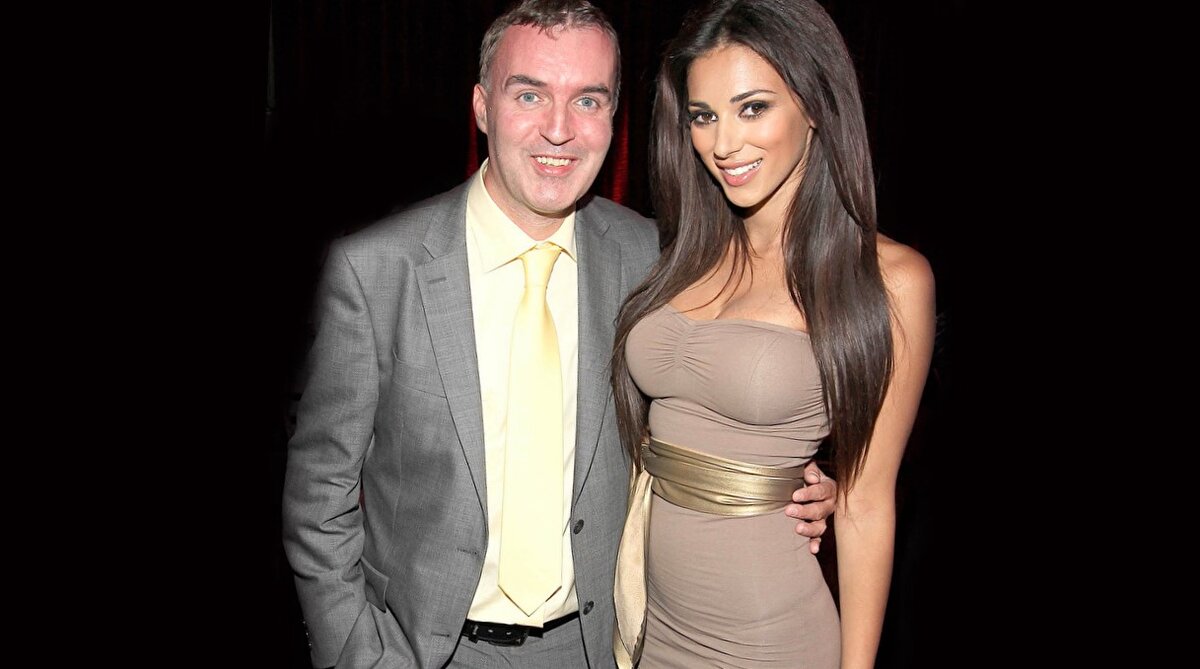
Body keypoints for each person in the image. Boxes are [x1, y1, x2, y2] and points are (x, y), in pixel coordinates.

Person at [282, 1, 839, 668]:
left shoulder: (654, 261)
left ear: (613, 117)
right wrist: (357, 653)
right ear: (482, 107)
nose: (558, 129)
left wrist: (785, 480)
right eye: (529, 95)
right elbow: (318, 498)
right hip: (426, 652)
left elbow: (707, 406)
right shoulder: (376, 269)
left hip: (599, 647)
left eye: (588, 100)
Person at [610, 0, 937, 668]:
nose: (723, 144)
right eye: (704, 116)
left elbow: (866, 505)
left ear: (815, 105)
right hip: (647, 624)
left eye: (753, 108)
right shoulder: (683, 255)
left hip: (765, 640)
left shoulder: (887, 280)